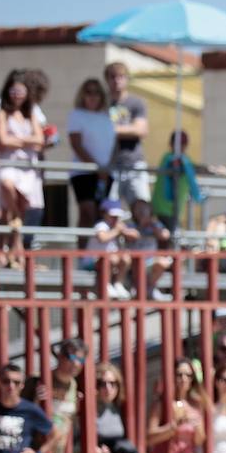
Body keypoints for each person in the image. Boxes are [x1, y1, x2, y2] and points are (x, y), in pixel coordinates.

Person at [0, 71, 44, 265]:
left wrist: (16, 141)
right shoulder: (2, 112)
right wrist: (26, 141)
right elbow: (3, 139)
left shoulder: (31, 113)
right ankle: (14, 244)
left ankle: (6, 252)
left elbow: (39, 141)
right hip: (8, 165)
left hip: (27, 168)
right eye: (14, 90)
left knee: (7, 212)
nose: (17, 94)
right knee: (7, 187)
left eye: (21, 90)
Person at [65, 77, 115, 229]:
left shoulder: (106, 117)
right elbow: (76, 144)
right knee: (88, 212)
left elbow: (113, 145)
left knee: (102, 215)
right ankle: (83, 252)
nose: (93, 96)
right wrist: (95, 167)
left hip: (105, 173)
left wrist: (107, 168)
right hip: (84, 173)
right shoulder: (77, 115)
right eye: (89, 92)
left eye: (96, 93)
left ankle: (97, 250)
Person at [104, 62, 150, 207]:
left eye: (121, 76)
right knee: (110, 210)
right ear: (107, 79)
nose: (117, 80)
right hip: (110, 165)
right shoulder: (102, 103)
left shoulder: (136, 103)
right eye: (113, 77)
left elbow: (141, 130)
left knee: (142, 208)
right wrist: (128, 130)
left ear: (127, 79)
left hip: (134, 163)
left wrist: (112, 130)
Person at [87, 198, 138, 298]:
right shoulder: (101, 225)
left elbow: (135, 235)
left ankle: (118, 284)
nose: (115, 219)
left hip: (111, 261)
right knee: (112, 258)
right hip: (92, 261)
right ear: (104, 214)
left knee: (125, 258)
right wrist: (117, 231)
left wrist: (125, 232)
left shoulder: (118, 226)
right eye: (112, 216)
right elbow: (102, 238)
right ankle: (106, 284)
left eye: (117, 216)